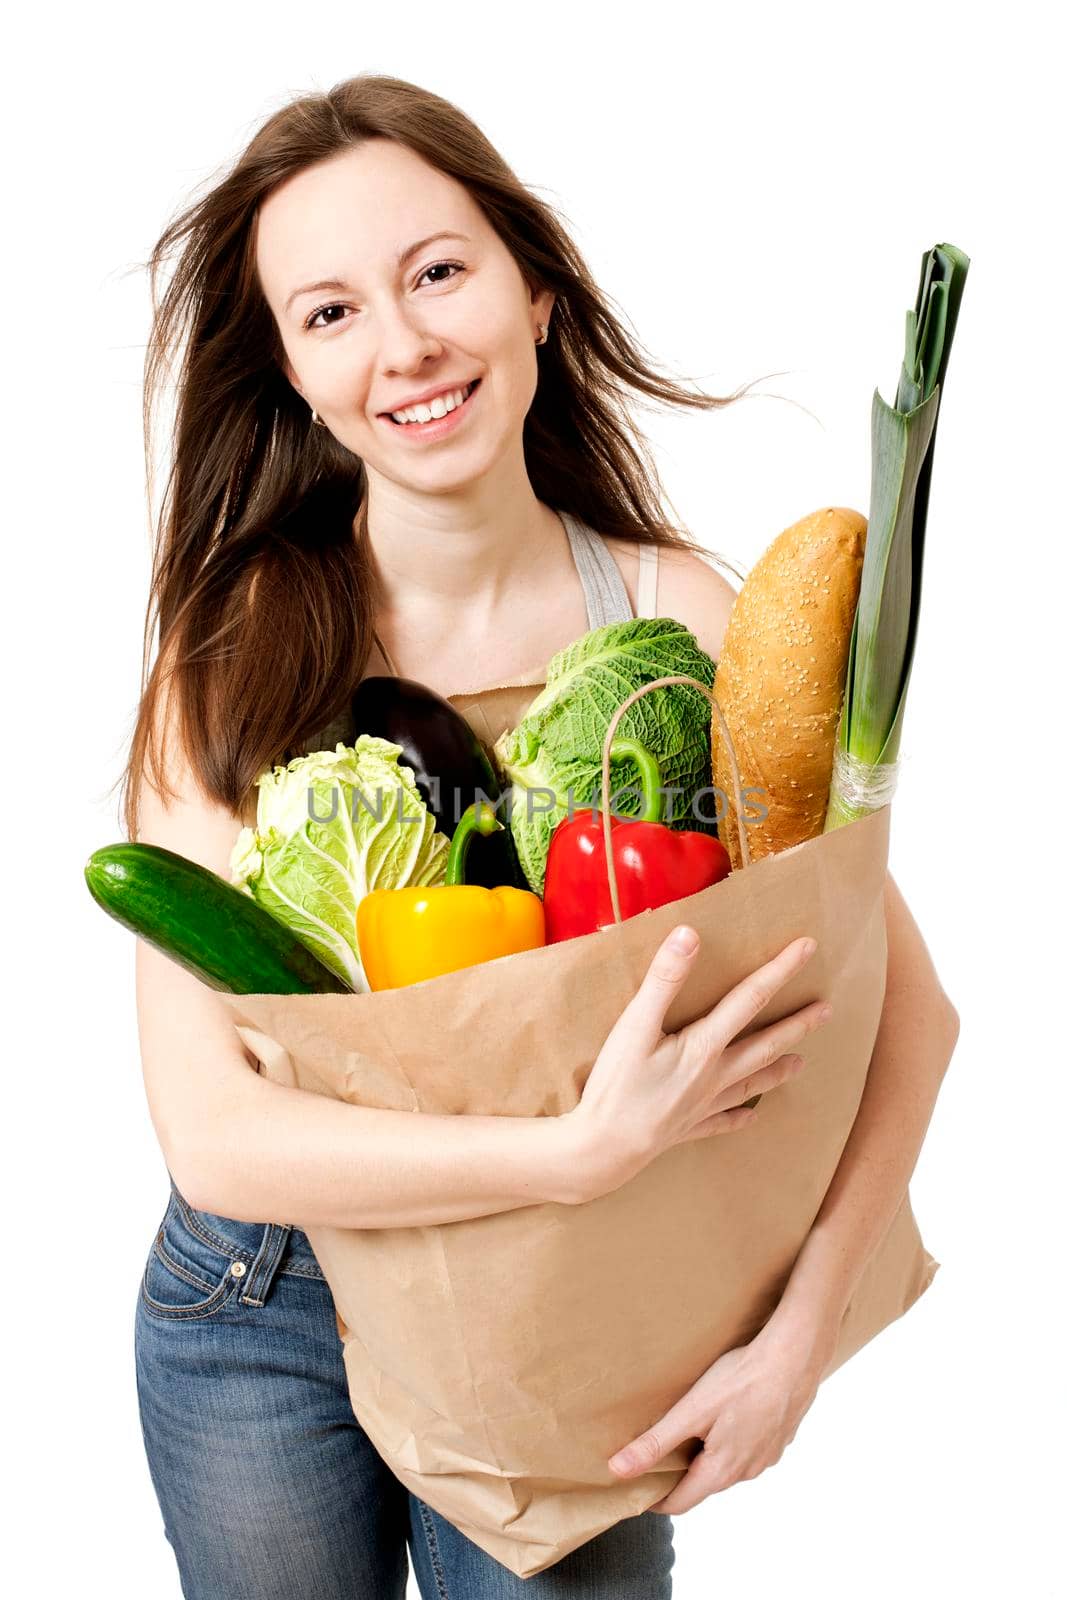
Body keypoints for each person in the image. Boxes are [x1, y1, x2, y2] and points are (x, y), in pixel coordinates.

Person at [120, 74, 957, 1600]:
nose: (405, 345)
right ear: (297, 379)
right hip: (265, 1309)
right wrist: (574, 1150)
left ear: (539, 295)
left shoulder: (676, 621)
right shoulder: (227, 659)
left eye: (437, 273)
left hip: (575, 1308)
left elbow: (909, 1013)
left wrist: (795, 1348)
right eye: (331, 313)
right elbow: (217, 1137)